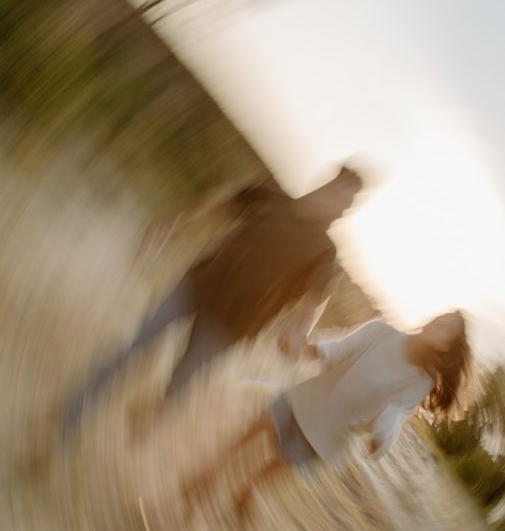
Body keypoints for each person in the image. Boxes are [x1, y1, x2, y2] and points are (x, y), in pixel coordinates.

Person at [50, 165, 365, 453]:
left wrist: (299, 333)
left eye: (348, 206)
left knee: (178, 385)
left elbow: (313, 302)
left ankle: (153, 410)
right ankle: (62, 424)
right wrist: (170, 224)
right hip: (196, 287)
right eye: (342, 197)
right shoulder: (271, 194)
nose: (342, 210)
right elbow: (216, 206)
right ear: (328, 184)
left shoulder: (325, 252)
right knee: (134, 348)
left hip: (230, 327)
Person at [151, 311, 472, 531]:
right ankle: (174, 514)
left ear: (447, 346)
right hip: (300, 401)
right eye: (441, 319)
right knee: (228, 453)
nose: (438, 326)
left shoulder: (421, 383)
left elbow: (394, 414)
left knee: (254, 480)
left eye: (447, 331)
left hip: (323, 440)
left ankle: (244, 500)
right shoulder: (383, 333)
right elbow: (338, 346)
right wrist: (302, 348)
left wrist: (381, 439)